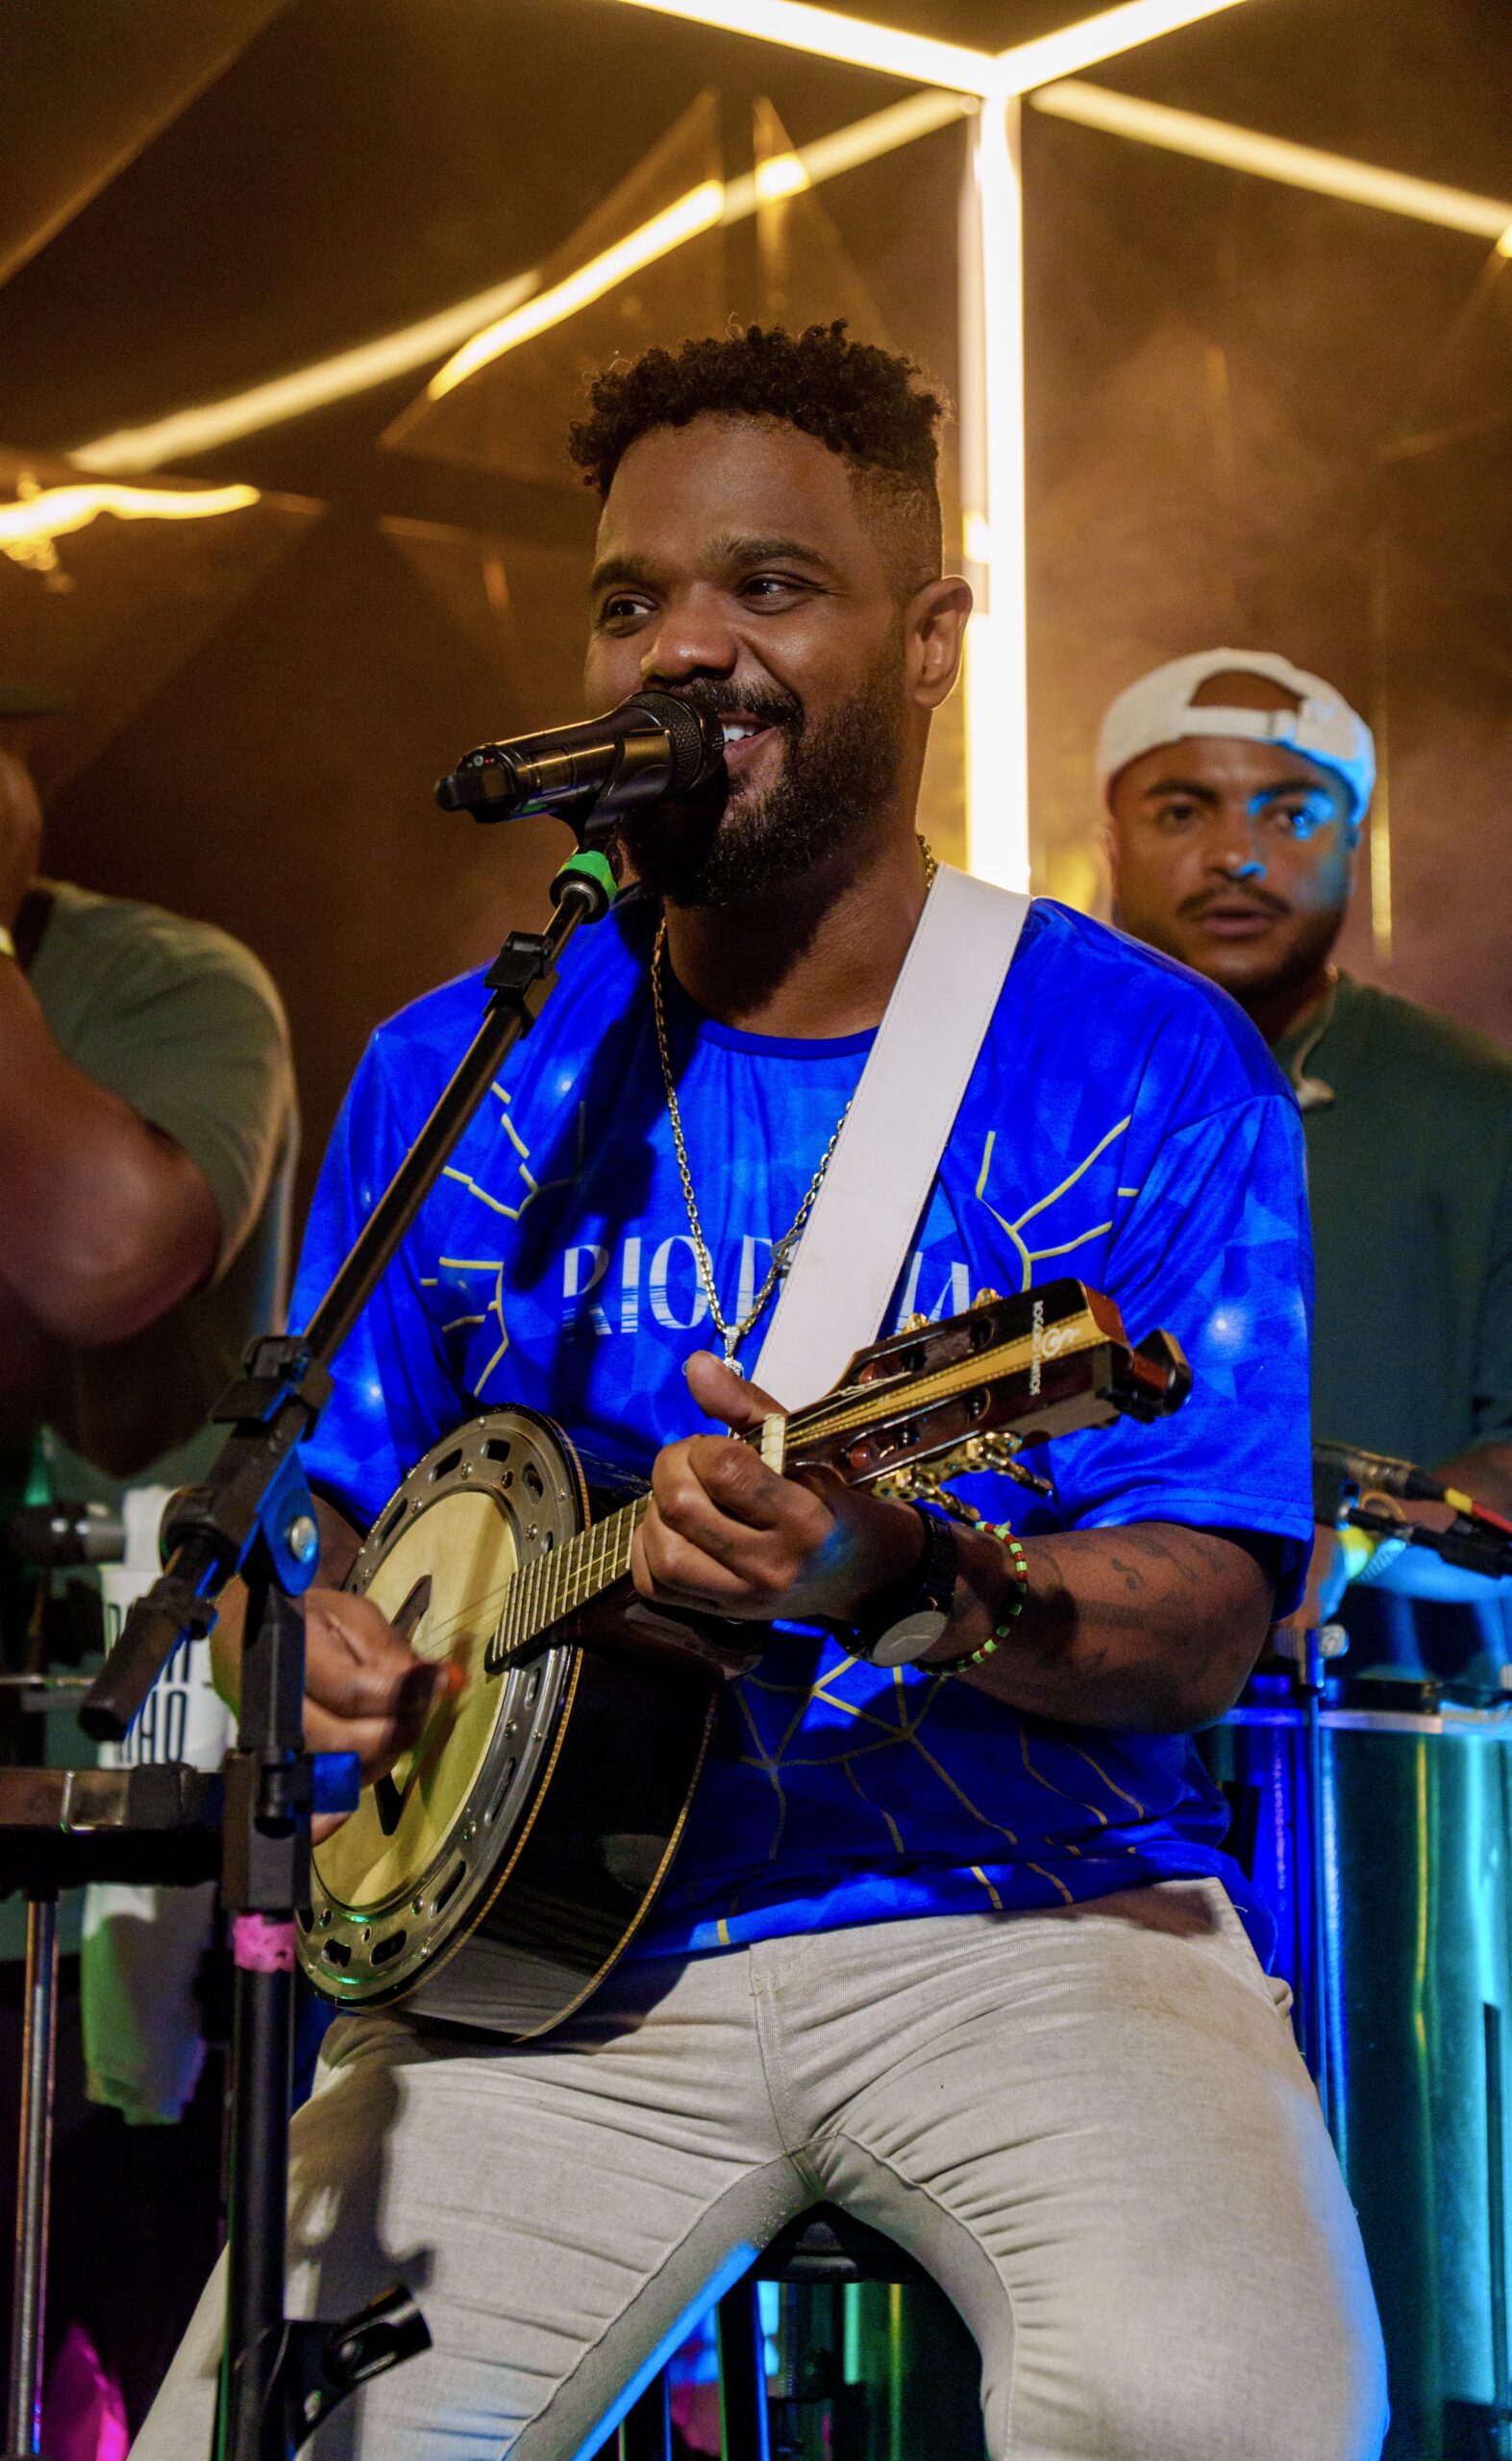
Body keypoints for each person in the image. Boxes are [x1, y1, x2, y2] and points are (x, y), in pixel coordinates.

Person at [139, 326, 1384, 2461]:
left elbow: (1205, 1611)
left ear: (927, 641)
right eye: (634, 600)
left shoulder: (1145, 1059)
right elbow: (306, 1529)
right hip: (535, 1976)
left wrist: (906, 1569)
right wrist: (308, 1643)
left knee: (1224, 2414)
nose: (685, 648)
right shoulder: (458, 1063)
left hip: (1034, 1921)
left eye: (770, 588)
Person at [1097, 648, 1512, 1653]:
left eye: (1290, 816)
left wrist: (1354, 1534)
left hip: (1405, 1741)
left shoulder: (1474, 1099)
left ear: (1355, 843)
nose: (1237, 854)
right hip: (1061, 1719)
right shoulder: (1026, 1091)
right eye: (1182, 811)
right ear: (1108, 840)